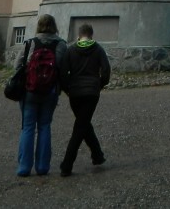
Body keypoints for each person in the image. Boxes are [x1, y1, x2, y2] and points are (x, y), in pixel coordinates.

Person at [14, 14, 67, 177]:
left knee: (28, 127)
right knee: (44, 126)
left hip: (30, 90)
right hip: (50, 91)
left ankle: (24, 167)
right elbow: (63, 69)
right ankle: (43, 167)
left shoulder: (30, 43)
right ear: (54, 26)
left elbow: (17, 65)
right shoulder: (61, 44)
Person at [59, 22, 111, 177]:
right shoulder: (98, 49)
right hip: (91, 93)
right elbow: (106, 70)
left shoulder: (71, 50)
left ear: (79, 35)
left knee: (82, 124)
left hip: (75, 93)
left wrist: (67, 88)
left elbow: (63, 73)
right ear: (91, 34)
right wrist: (99, 84)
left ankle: (97, 155)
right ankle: (67, 165)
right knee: (82, 125)